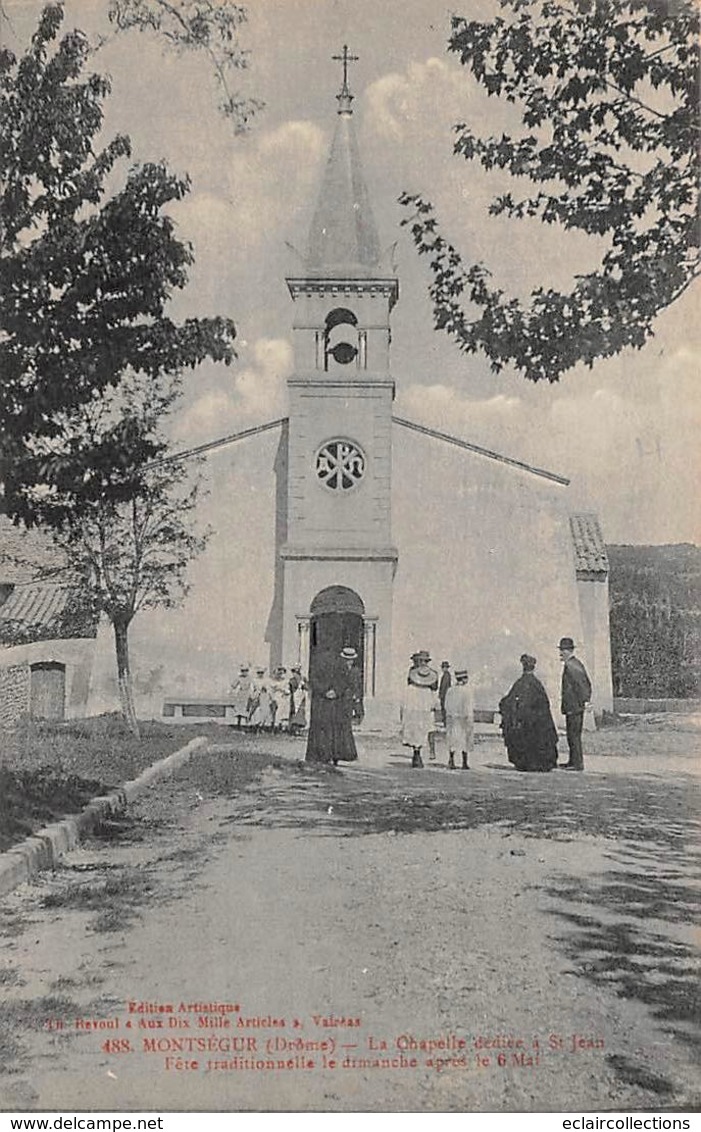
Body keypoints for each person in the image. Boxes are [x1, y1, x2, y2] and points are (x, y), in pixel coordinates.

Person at [499, 654, 559, 772]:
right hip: (538, 723)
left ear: (523, 667)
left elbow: (509, 700)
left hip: (526, 723)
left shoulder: (520, 683)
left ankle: (527, 762)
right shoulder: (537, 684)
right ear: (533, 668)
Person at [305, 646, 360, 765]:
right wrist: (329, 691)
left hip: (335, 701)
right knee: (324, 728)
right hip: (325, 701)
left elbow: (344, 681)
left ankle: (333, 754)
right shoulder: (320, 664)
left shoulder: (341, 666)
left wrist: (334, 691)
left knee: (334, 728)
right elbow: (314, 680)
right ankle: (323, 754)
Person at [559, 637, 592, 771]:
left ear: (569, 651)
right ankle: (572, 761)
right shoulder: (575, 664)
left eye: (563, 650)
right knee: (572, 735)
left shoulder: (571, 666)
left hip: (574, 706)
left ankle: (577, 763)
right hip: (573, 706)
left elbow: (582, 685)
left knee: (574, 735)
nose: (561, 653)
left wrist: (585, 701)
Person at [401, 650, 438, 768]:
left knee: (417, 728)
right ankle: (418, 753)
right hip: (423, 702)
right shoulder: (431, 675)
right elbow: (434, 687)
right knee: (421, 728)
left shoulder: (412, 676)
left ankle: (416, 753)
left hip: (416, 702)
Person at [444, 667, 474, 770]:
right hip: (463, 718)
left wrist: (449, 715)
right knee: (465, 739)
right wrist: (469, 718)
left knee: (453, 738)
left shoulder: (450, 690)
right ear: (464, 678)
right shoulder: (467, 691)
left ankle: (451, 760)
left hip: (452, 718)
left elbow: (446, 705)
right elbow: (468, 707)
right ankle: (464, 762)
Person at [230, 664, 254, 729]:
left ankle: (246, 725)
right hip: (240, 694)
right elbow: (233, 685)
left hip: (247, 694)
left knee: (246, 709)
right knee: (239, 710)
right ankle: (238, 724)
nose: (244, 672)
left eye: (246, 671)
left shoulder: (250, 678)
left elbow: (253, 686)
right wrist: (232, 692)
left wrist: (252, 694)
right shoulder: (239, 678)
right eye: (243, 671)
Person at [288, 665, 307, 734]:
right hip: (294, 696)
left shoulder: (303, 679)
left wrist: (303, 685)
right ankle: (293, 728)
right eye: (294, 672)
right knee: (294, 711)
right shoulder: (292, 680)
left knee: (300, 711)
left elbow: (306, 687)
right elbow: (291, 689)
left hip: (301, 696)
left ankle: (298, 728)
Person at [438, 661, 452, 725]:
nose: (443, 669)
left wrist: (441, 694)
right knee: (444, 708)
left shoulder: (446, 675)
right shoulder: (446, 675)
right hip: (445, 694)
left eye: (444, 667)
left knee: (444, 708)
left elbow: (444, 686)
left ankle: (445, 722)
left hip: (444, 695)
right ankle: (445, 722)